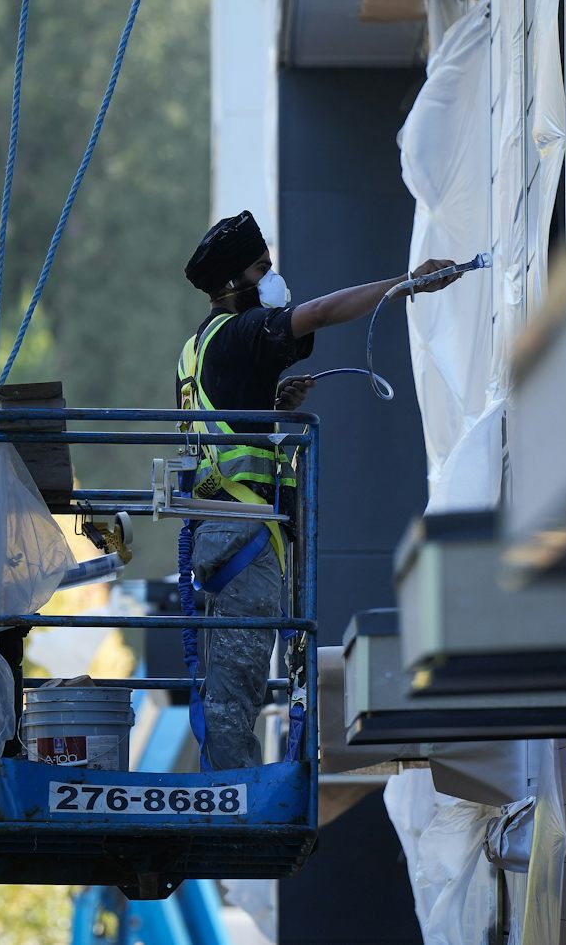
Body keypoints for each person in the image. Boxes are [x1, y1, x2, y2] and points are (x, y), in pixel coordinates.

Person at [176, 209, 463, 769]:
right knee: (238, 690)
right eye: (264, 269)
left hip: (226, 532)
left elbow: (221, 424)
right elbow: (324, 313)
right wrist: (406, 282)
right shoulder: (240, 333)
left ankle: (229, 789)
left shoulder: (199, 346)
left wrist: (274, 405)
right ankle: (229, 802)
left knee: (239, 681)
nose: (274, 279)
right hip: (244, 537)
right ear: (236, 282)